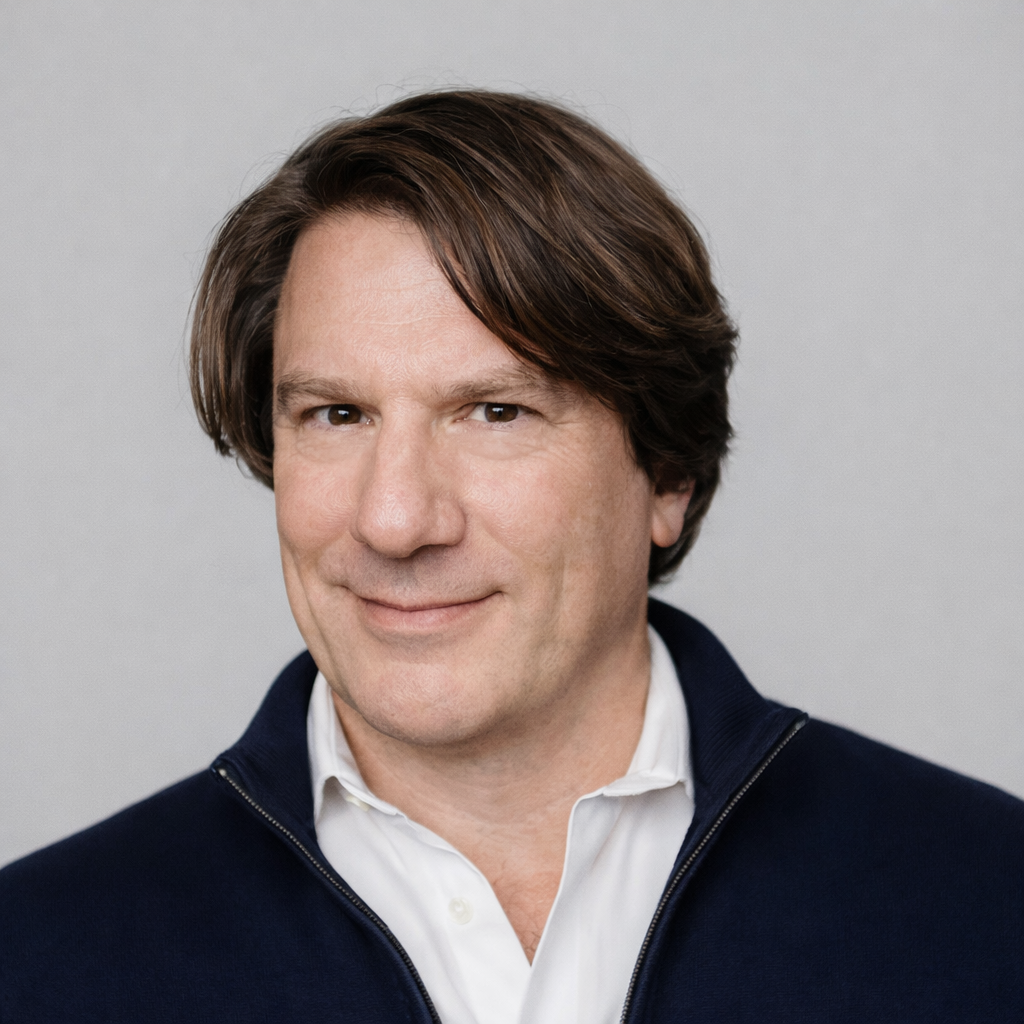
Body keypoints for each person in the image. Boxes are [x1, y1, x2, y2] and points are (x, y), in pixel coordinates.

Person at [1, 89, 1021, 1023]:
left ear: (665, 471)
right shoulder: (37, 959)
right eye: (336, 413)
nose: (395, 520)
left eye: (495, 412)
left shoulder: (988, 904)